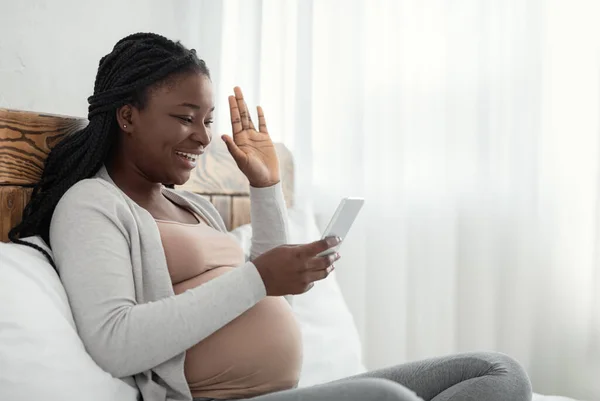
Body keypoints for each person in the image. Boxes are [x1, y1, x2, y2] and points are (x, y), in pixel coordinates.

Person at [10, 33, 532, 401]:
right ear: (127, 116)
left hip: (287, 392)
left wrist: (265, 185)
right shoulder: (92, 204)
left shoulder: (191, 205)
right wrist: (260, 277)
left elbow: (263, 290)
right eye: (184, 118)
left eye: (208, 120)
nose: (202, 136)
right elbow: (115, 342)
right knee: (386, 399)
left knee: (496, 373)